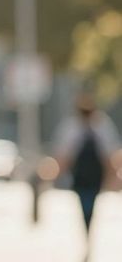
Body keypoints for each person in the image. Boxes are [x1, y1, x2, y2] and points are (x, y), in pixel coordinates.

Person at [53, 92, 120, 240]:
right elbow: (65, 155)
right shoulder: (72, 127)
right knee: (85, 205)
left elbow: (109, 155)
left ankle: (88, 229)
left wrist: (112, 176)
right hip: (80, 177)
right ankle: (87, 229)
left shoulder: (102, 127)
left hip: (94, 176)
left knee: (89, 205)